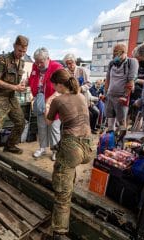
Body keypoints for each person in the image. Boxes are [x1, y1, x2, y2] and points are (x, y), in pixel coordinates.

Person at [45, 69, 94, 239]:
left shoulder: (58, 99)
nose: (53, 87)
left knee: (62, 195)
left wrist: (48, 103)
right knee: (68, 171)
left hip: (72, 147)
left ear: (59, 84)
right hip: (88, 146)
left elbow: (48, 121)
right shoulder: (81, 96)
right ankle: (69, 186)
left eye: (53, 84)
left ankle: (59, 232)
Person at [0, 35, 29, 177]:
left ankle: (9, 146)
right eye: (19, 50)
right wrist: (14, 87)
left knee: (20, 122)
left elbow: (16, 82)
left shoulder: (21, 63)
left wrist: (20, 86)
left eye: (24, 51)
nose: (21, 54)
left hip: (11, 97)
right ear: (14, 46)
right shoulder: (3, 60)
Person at [29, 47, 63, 160]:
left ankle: (55, 150)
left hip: (53, 102)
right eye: (36, 62)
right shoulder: (35, 66)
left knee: (54, 127)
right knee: (41, 126)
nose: (38, 65)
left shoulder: (57, 67)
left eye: (41, 62)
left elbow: (63, 86)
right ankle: (42, 148)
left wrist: (53, 97)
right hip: (39, 101)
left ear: (48, 58)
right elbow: (32, 79)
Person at [105, 44, 138, 134]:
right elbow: (107, 80)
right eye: (115, 55)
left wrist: (125, 96)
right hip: (110, 95)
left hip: (121, 97)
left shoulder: (132, 62)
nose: (116, 57)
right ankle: (110, 141)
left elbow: (131, 81)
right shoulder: (112, 63)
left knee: (121, 124)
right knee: (110, 122)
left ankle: (120, 143)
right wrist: (105, 94)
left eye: (118, 55)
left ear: (124, 53)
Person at [63, 53, 99, 133]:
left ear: (75, 61)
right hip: (71, 98)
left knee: (90, 114)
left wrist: (81, 88)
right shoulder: (65, 72)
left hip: (83, 97)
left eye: (71, 63)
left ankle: (89, 129)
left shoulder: (82, 70)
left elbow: (89, 83)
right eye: (67, 64)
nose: (69, 65)